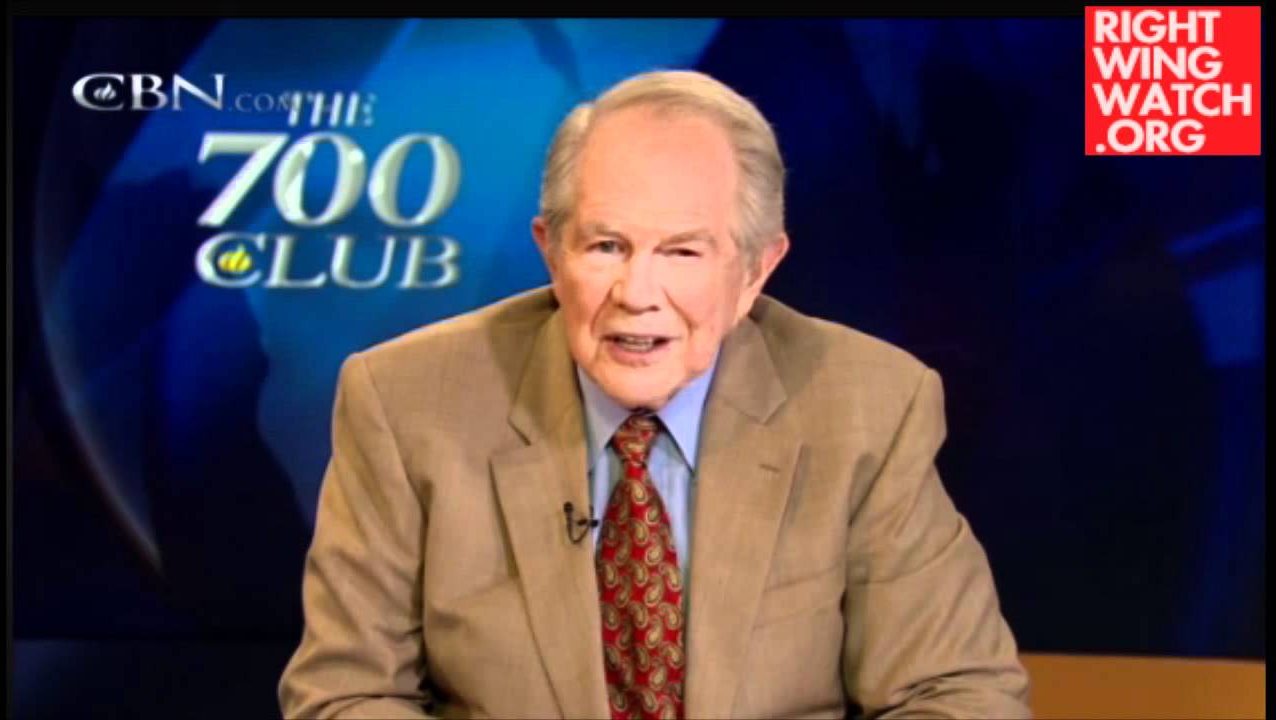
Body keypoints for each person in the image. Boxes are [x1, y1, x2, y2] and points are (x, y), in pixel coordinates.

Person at [278, 69, 1031, 719]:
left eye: (682, 251)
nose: (637, 293)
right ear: (551, 251)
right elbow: (344, 695)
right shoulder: (407, 404)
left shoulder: (869, 408)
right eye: (607, 246)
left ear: (756, 271)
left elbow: (958, 693)